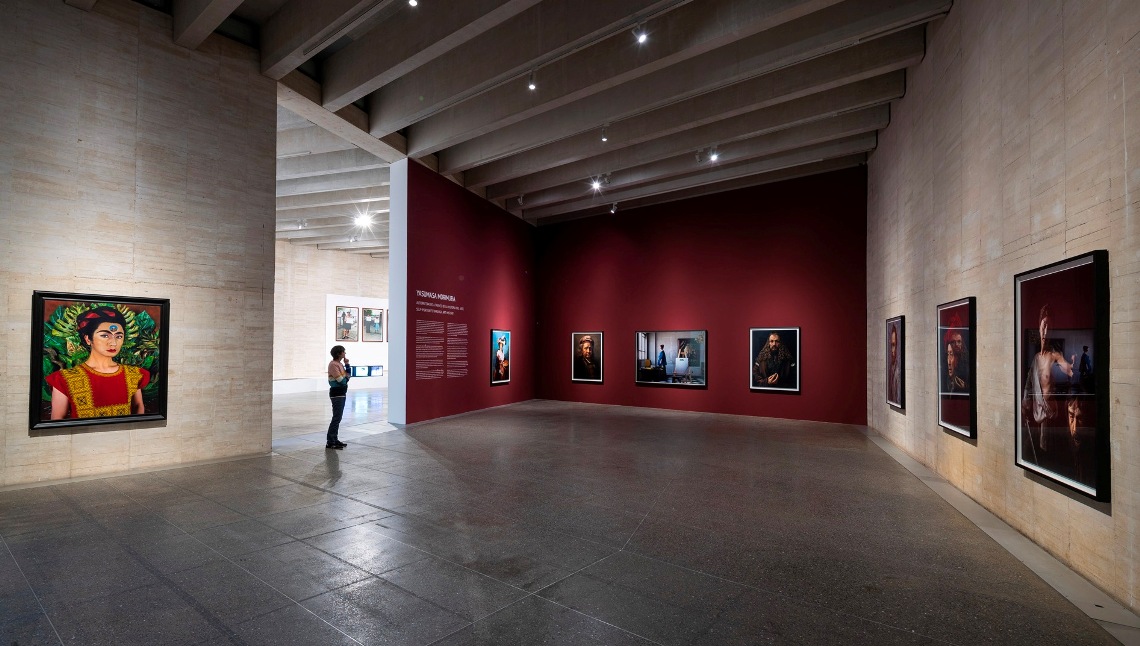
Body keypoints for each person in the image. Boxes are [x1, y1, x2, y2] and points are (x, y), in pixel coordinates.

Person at [46, 306, 150, 419]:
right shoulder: (64, 379)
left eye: (119, 336)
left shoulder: (133, 375)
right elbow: (57, 421)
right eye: (105, 335)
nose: (113, 343)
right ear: (88, 339)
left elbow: (138, 407)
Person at [1021, 305, 1076, 456]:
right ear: (1039, 327)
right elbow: (1028, 383)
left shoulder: (1055, 355)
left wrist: (1072, 366)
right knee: (1033, 452)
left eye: (1049, 328)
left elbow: (1068, 369)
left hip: (1051, 415)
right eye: (1044, 326)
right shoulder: (1036, 358)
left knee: (1050, 453)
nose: (1045, 331)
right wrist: (1025, 402)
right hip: (1036, 414)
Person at [326, 345, 350, 449]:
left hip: (341, 393)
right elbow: (342, 381)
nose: (345, 353)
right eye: (343, 352)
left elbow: (348, 376)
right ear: (339, 353)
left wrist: (347, 364)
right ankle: (330, 441)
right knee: (336, 418)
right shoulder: (333, 365)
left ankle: (334, 439)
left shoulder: (340, 364)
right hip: (337, 394)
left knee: (338, 417)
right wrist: (346, 378)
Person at [887, 324, 902, 404]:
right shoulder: (890, 369)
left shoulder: (898, 372)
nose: (892, 350)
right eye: (891, 345)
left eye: (894, 345)